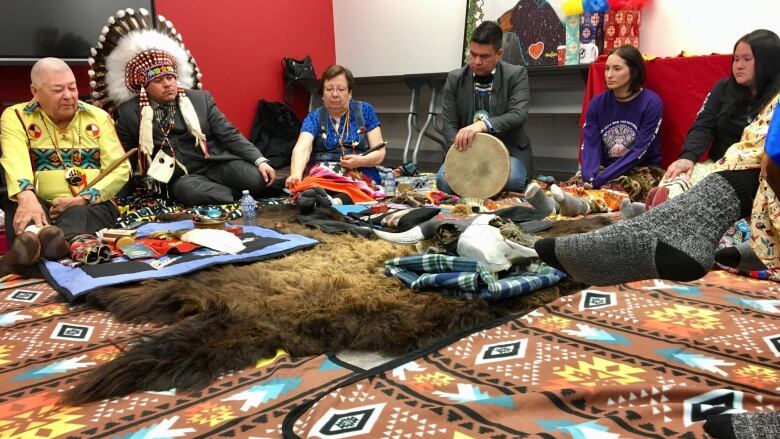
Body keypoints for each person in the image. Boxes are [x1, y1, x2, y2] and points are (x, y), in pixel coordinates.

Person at [534, 75, 780, 286]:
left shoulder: (649, 102)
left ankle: (690, 229)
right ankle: (757, 237)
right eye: (607, 68)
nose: (609, 74)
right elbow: (703, 126)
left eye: (617, 68)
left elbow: (640, 148)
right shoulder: (600, 102)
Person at [0, 58, 132, 272]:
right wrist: (27, 196)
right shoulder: (16, 116)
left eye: (72, 87)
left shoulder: (98, 117)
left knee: (77, 214)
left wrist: (84, 197)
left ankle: (27, 251)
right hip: (40, 202)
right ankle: (55, 245)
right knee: (20, 206)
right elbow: (14, 158)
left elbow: (120, 168)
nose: (69, 95)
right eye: (58, 90)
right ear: (35, 91)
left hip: (91, 203)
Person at [114, 53, 277, 206]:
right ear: (145, 86)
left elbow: (229, 133)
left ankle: (226, 192)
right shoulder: (129, 113)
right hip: (179, 176)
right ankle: (237, 195)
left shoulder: (200, 99)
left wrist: (259, 160)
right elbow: (127, 158)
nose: (167, 84)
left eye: (170, 77)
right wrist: (119, 197)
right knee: (189, 192)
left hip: (213, 162)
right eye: (158, 80)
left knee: (257, 178)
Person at [664, 30, 780, 183]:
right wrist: (688, 157)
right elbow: (703, 125)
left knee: (699, 195)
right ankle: (647, 206)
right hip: (717, 164)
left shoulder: (776, 98)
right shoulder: (723, 88)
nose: (738, 66)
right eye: (736, 59)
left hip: (753, 173)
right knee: (675, 179)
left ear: (767, 62)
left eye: (746, 59)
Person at [437, 20, 532, 194]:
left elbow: (518, 114)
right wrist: (464, 154)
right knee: (443, 182)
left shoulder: (516, 74)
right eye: (472, 54)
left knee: (514, 180)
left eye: (484, 57)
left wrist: (483, 125)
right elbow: (449, 125)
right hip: (466, 153)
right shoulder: (454, 78)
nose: (476, 61)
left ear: (499, 54)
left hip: (507, 151)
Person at [285, 64, 386, 204]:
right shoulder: (314, 117)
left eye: (341, 89)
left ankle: (332, 201)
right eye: (329, 89)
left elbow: (380, 151)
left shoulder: (365, 111)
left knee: (357, 187)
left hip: (359, 171)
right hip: (323, 173)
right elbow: (302, 148)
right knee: (314, 182)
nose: (334, 94)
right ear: (323, 94)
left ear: (350, 93)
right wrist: (296, 173)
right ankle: (329, 200)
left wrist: (361, 161)